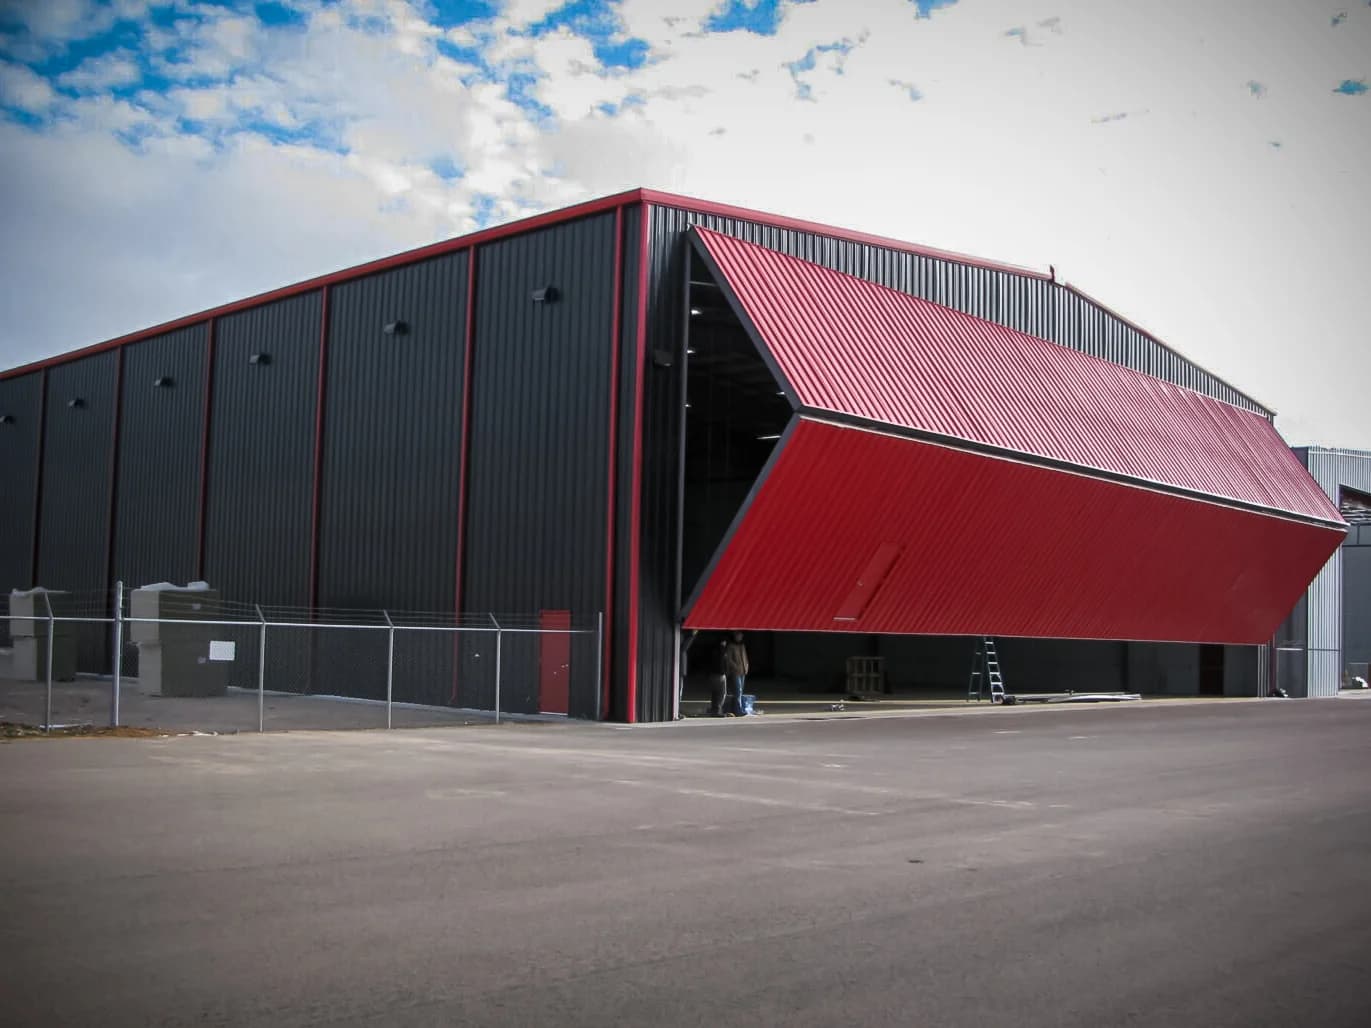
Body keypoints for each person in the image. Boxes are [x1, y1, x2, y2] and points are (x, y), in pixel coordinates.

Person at [723, 631, 750, 716]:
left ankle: (738, 708)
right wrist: (735, 666)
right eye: (739, 635)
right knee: (738, 690)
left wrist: (746, 666)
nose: (740, 637)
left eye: (741, 636)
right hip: (735, 671)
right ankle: (738, 710)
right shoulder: (731, 646)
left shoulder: (742, 645)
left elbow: (745, 657)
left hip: (743, 670)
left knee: (740, 690)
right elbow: (728, 658)